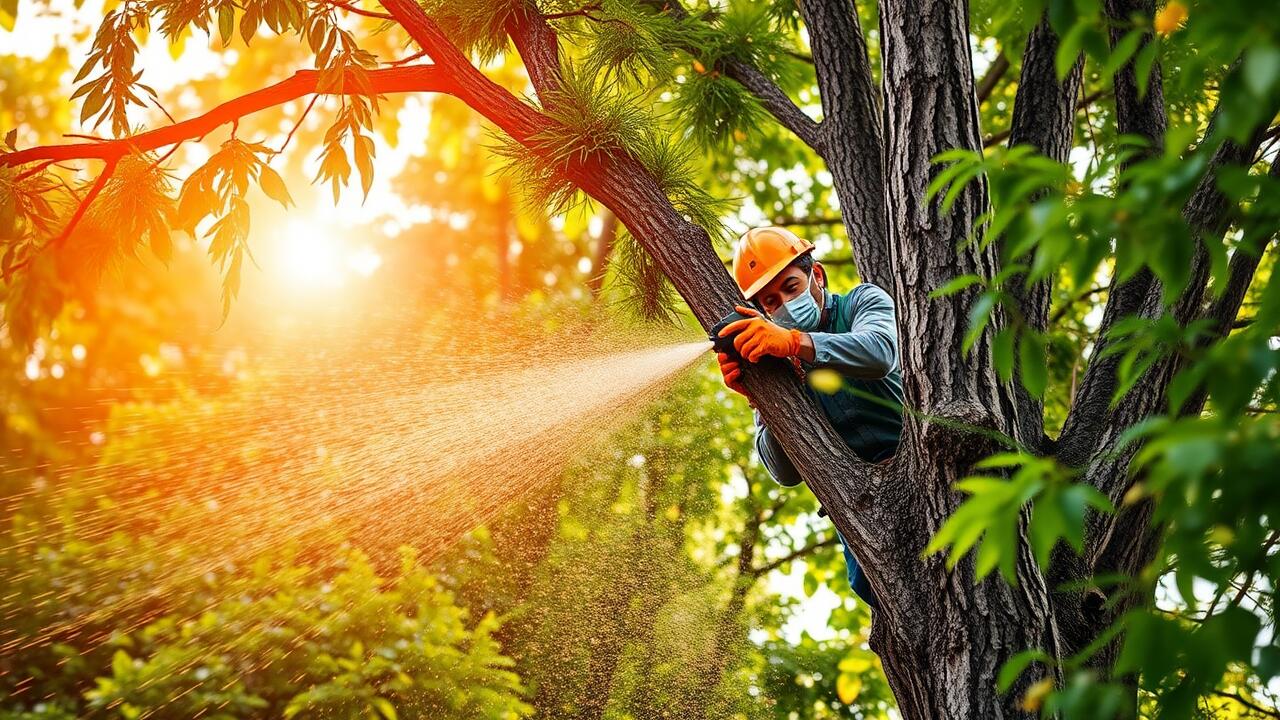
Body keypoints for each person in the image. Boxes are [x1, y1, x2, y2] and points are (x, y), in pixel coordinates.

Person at [716, 226, 904, 610]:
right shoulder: (775, 367)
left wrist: (797, 343)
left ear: (816, 275)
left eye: (791, 286)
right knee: (880, 595)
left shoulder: (862, 303)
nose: (784, 304)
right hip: (859, 505)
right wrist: (762, 401)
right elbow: (786, 474)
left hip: (920, 465)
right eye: (770, 301)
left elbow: (881, 351)